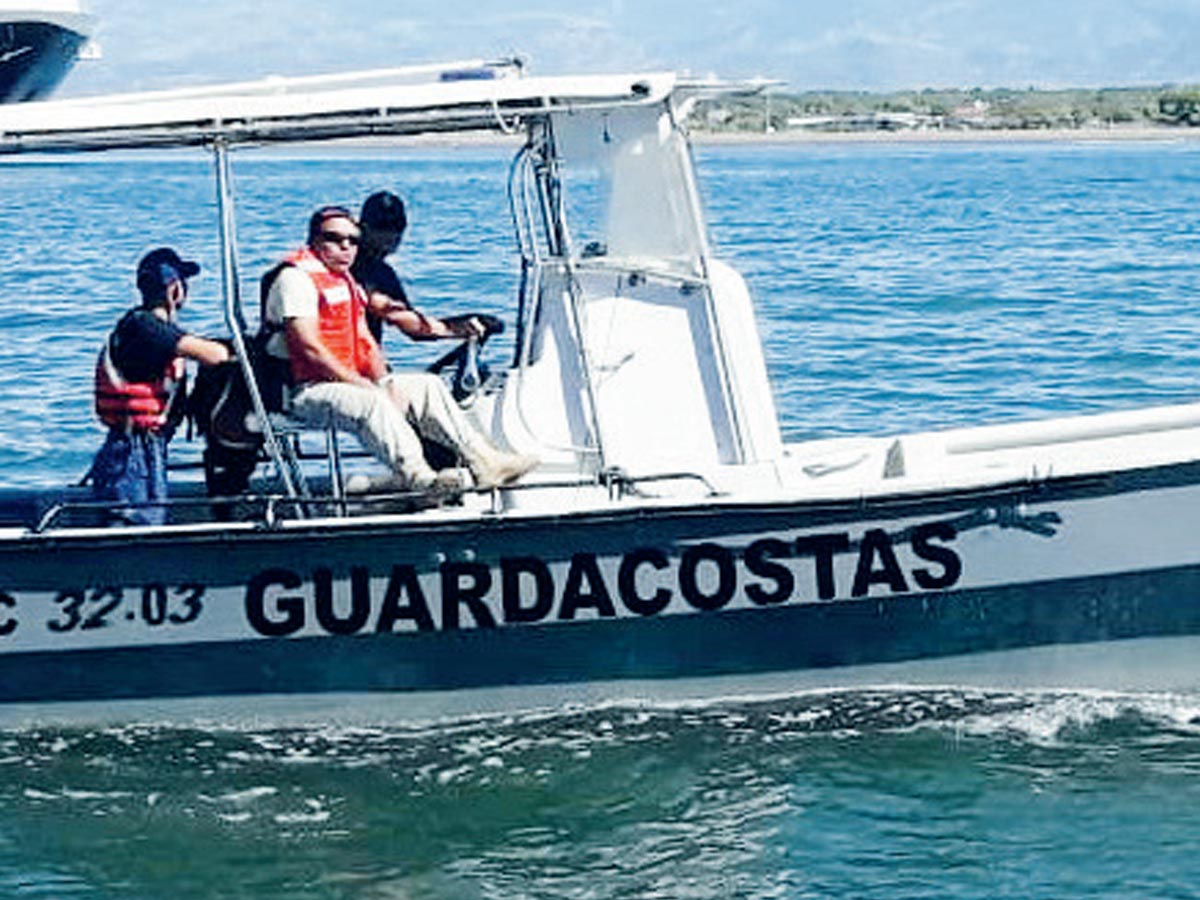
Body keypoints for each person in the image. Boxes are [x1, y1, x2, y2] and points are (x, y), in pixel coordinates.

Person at [261, 205, 536, 493]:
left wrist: (383, 382)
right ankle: (421, 480)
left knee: (426, 386)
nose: (345, 246)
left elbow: (365, 341)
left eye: (352, 240)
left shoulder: (346, 281)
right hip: (303, 390)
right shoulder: (295, 280)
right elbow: (309, 348)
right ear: (314, 240)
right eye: (333, 238)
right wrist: (362, 385)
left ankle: (485, 461)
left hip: (347, 385)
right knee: (373, 402)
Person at [90, 248, 231, 525]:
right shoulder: (144, 327)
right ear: (173, 289)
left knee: (145, 519)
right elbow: (213, 355)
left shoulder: (144, 327)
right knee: (135, 525)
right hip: (132, 452)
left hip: (142, 446)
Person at [352, 190, 485, 346]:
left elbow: (414, 327)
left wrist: (463, 322)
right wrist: (456, 328)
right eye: (382, 227)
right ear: (363, 228)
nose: (391, 235)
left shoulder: (382, 273)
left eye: (397, 227)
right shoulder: (350, 267)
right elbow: (406, 322)